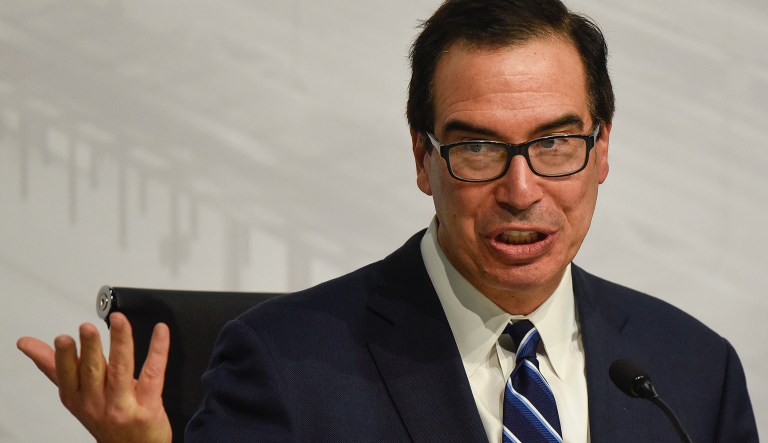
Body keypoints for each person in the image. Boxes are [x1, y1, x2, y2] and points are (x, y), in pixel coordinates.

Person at [17, 0, 759, 442]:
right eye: (476, 147)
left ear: (601, 151)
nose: (521, 188)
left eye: (555, 143)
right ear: (421, 158)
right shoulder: (281, 365)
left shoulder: (692, 370)